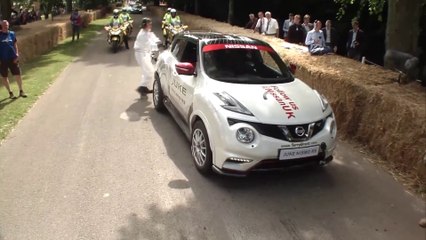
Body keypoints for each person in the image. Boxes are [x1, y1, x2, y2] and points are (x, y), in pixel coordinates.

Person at [134, 18, 161, 98]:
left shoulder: (147, 32)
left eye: (150, 23)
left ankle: (144, 87)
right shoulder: (142, 35)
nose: (151, 25)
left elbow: (153, 38)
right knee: (150, 71)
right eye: (149, 24)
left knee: (145, 72)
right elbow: (151, 44)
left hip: (145, 53)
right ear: (144, 25)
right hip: (141, 54)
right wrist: (159, 45)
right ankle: (142, 87)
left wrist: (159, 41)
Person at [0, 20, 26, 98]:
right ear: (1, 26)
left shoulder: (12, 33)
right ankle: (10, 93)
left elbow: (15, 45)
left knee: (18, 74)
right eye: (4, 25)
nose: (6, 26)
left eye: (7, 25)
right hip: (2, 60)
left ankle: (21, 91)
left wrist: (17, 54)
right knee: (4, 77)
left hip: (13, 58)